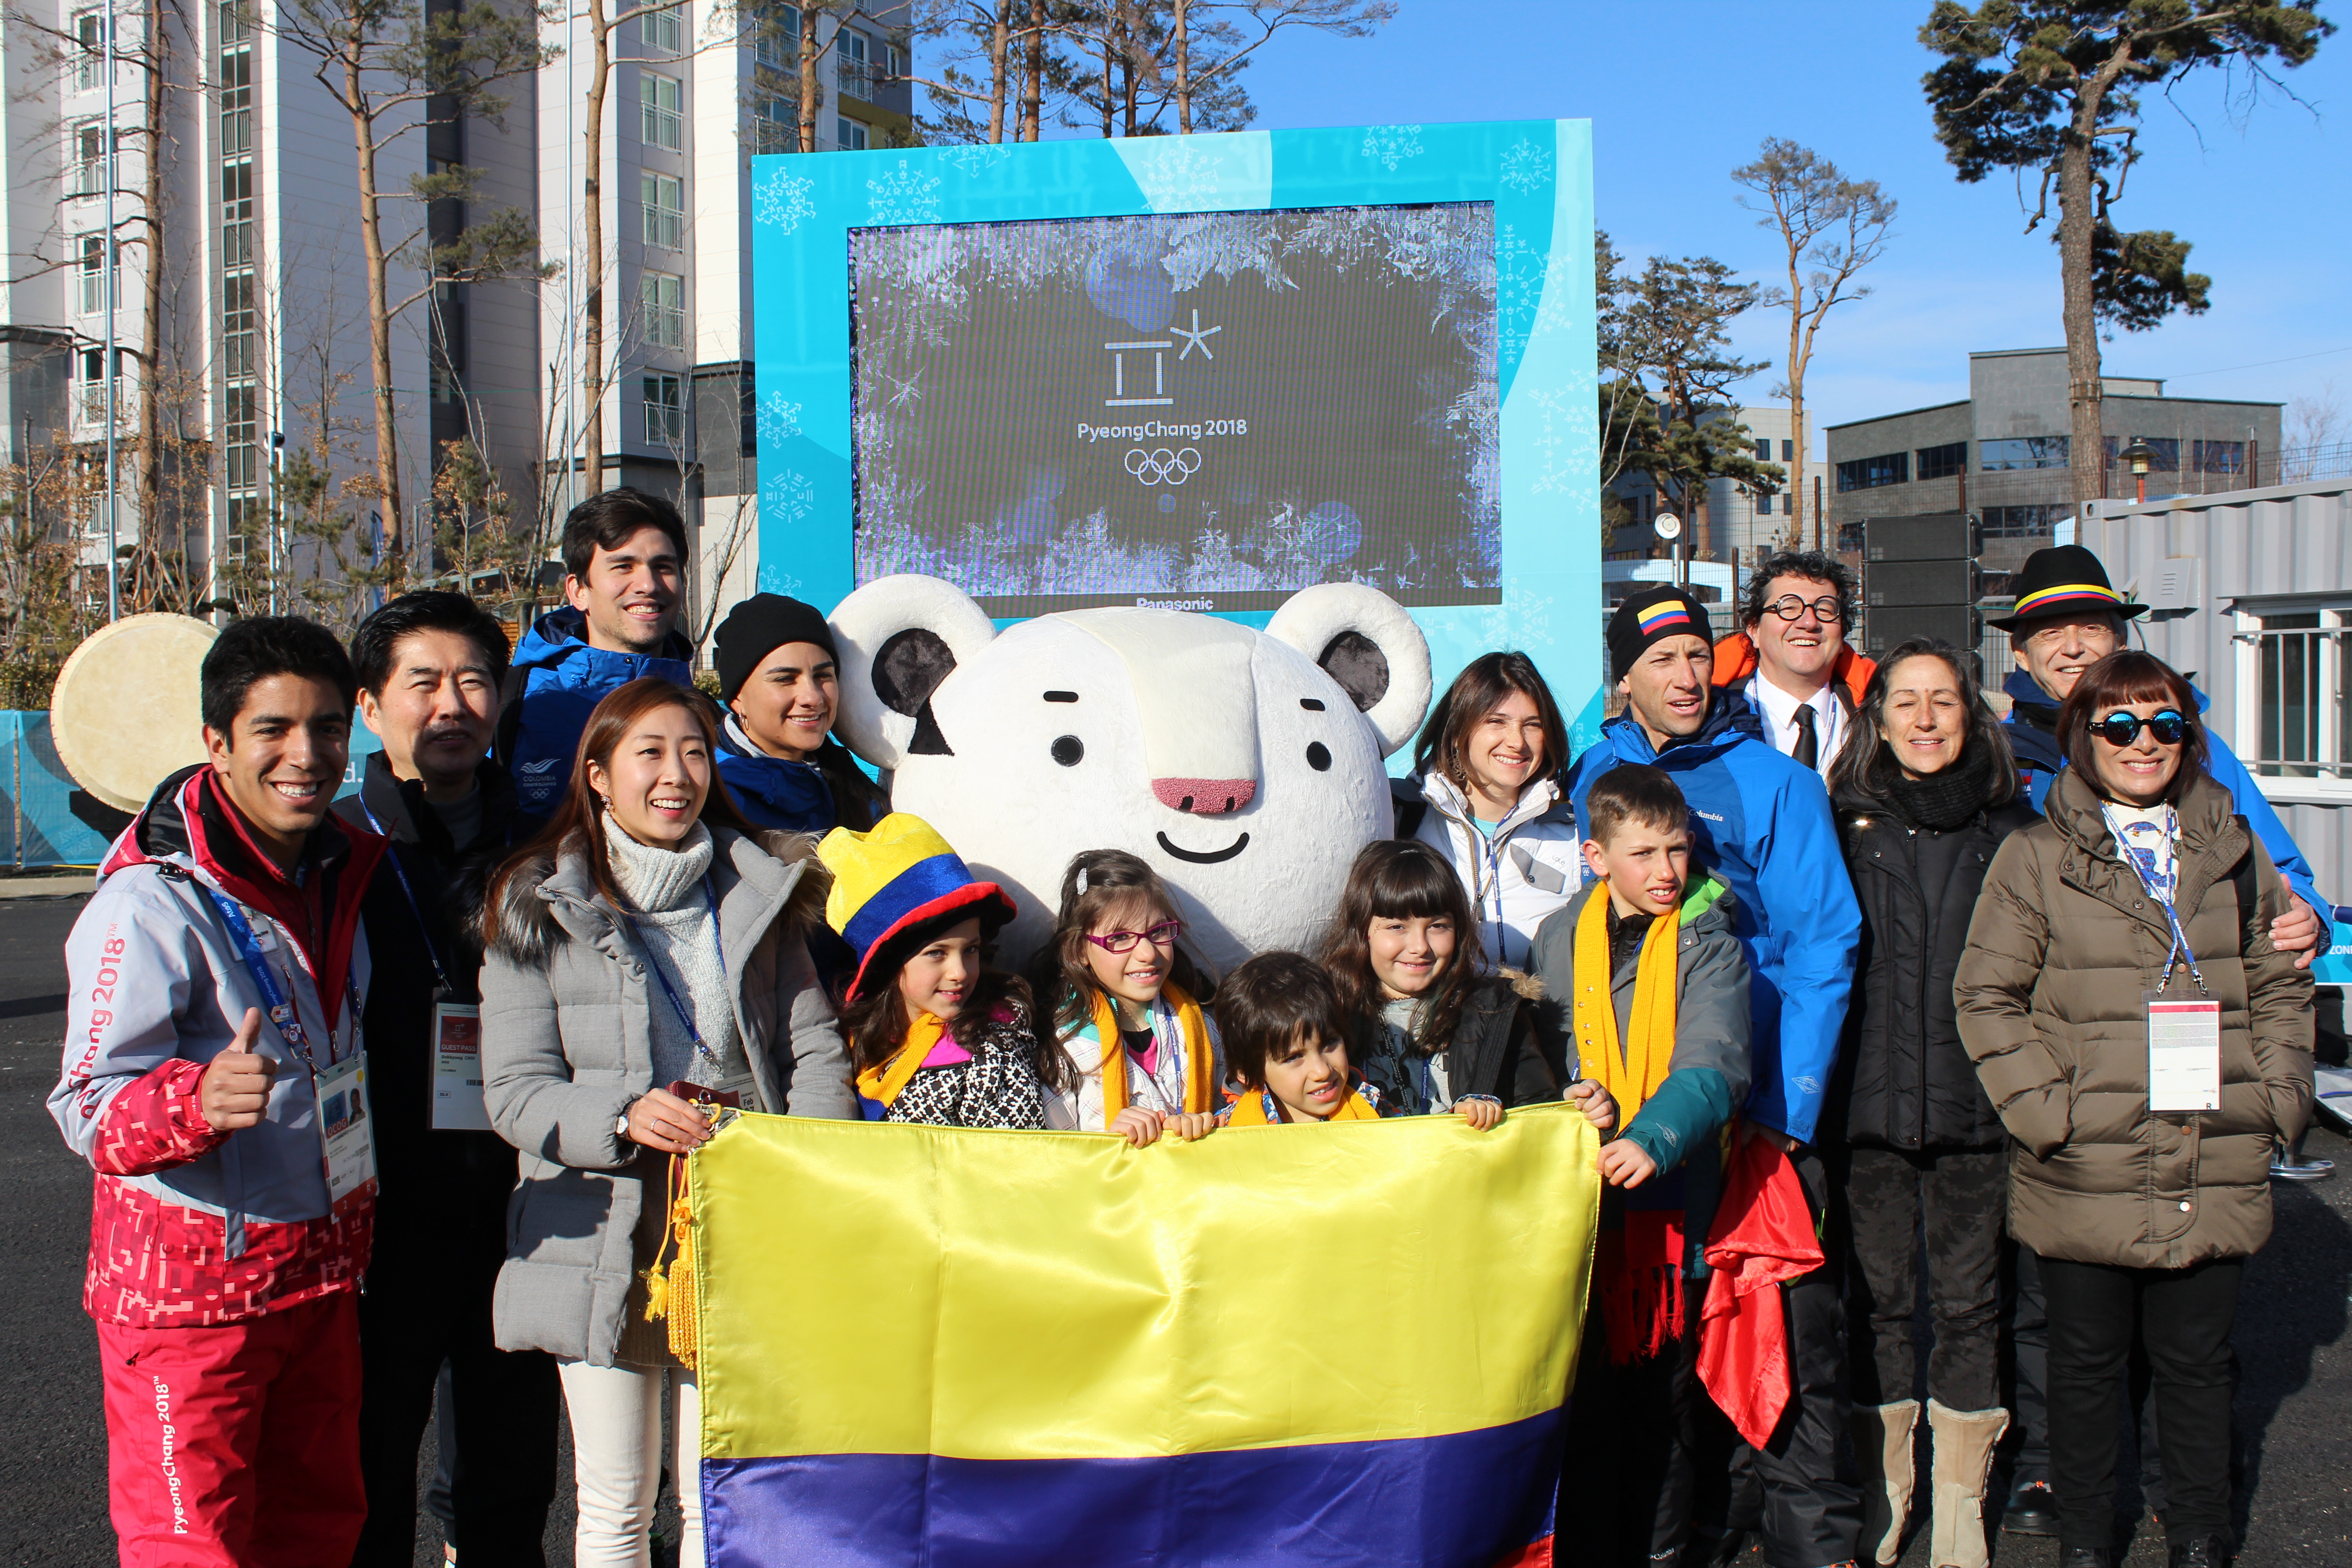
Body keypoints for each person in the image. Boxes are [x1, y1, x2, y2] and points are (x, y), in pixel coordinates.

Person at [477, 677, 857, 1567]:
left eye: (693, 751)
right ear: (599, 776)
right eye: (648, 752)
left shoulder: (763, 889)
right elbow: (516, 1089)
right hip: (602, 1229)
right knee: (614, 1500)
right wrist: (622, 1113)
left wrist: (796, 1169)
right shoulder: (536, 903)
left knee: (714, 1494)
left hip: (739, 1220)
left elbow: (815, 1054)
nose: (675, 774)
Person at [1987, 544, 2330, 1532]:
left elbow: (2280, 884)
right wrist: (2038, 1100)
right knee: (2059, 1310)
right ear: (2023, 651)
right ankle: (2061, 1472)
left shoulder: (2189, 751)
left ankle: (2189, 1502)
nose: (2070, 642)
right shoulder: (1995, 746)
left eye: (2087, 624)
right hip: (2070, 1092)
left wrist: (2279, 1089)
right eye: (2048, 630)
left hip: (2191, 1101)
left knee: (2186, 1328)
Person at [51, 617, 385, 1567]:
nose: (307, 755)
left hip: (317, 1278)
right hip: (191, 1307)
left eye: (327, 729)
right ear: (216, 743)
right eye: (274, 729)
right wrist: (192, 1103)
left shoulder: (337, 869)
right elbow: (87, 1104)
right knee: (191, 1549)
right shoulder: (149, 902)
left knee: (317, 1533)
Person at [1564, 584, 1862, 1568]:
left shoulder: (1777, 782)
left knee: (1777, 1346)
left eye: (1698, 654)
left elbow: (1825, 944)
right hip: (1628, 1122)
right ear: (1627, 678)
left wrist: (1787, 1106)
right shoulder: (1595, 773)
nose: (1687, 677)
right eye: (1662, 661)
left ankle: (1806, 1547)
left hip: (1754, 1106)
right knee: (1649, 1361)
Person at [334, 592, 561, 1566]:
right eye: (422, 683)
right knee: (367, 1452)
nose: (451, 704)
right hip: (384, 1203)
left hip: (528, 1193)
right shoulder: (336, 847)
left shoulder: (553, 842)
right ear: (369, 706)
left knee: (512, 1466)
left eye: (473, 680)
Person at [1821, 639, 2038, 1568]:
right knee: (1874, 1304)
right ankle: (1887, 1491)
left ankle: (1959, 1503)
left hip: (1978, 1110)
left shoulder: (2015, 832)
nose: (1922, 719)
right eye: (1903, 701)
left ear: (1970, 714)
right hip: (1864, 1106)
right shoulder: (1839, 823)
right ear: (1877, 719)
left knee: (1969, 1305)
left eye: (1941, 702)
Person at [1528, 762, 1752, 1568]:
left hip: (1667, 1217)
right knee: (1585, 1416)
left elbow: (1713, 1066)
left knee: (1663, 1420)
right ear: (1595, 857)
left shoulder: (1709, 943)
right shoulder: (1558, 937)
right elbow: (1539, 1056)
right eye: (1644, 854)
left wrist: (1650, 1139)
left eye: (1677, 851)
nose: (1665, 872)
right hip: (1580, 1215)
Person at [817, 812, 1054, 1127]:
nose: (959, 972)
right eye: (936, 953)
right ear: (887, 964)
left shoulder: (991, 1048)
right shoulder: (857, 1037)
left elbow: (1007, 1161)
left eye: (971, 949)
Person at [1318, 837, 1575, 1123]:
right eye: (1397, 927)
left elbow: (1539, 1114)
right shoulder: (1325, 1016)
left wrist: (1499, 1115)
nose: (1420, 947)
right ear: (1362, 929)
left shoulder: (1495, 1012)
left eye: (1438, 926)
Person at [501, 488, 694, 823]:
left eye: (663, 567)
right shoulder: (515, 703)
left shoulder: (703, 714)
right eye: (623, 567)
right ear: (578, 591)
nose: (648, 584)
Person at [1392, 651, 1585, 967]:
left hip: (1537, 1015)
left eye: (1532, 725)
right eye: (1496, 722)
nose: (1517, 742)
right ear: (1457, 732)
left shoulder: (1575, 833)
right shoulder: (1402, 817)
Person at [1037, 849, 1224, 1144]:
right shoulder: (1064, 1051)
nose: (1148, 953)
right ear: (1079, 950)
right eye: (1119, 938)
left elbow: (1238, 1108)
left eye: (1159, 931)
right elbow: (1055, 1156)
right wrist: (1109, 1140)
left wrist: (1212, 1123)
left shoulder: (1199, 1028)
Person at [712, 593, 889, 835]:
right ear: (737, 699)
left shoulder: (847, 779)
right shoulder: (713, 796)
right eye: (785, 679)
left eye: (823, 676)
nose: (813, 697)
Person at [1713, 549, 1878, 783]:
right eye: (1788, 608)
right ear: (1754, 629)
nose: (1809, 622)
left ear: (1842, 637)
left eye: (1825, 610)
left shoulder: (1877, 720)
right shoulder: (1710, 719)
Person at [1213, 951, 1391, 1124]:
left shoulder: (1375, 1113)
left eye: (1330, 1043)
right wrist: (1191, 1134)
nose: (1323, 1071)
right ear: (1245, 1072)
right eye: (1294, 1057)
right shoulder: (1228, 1130)